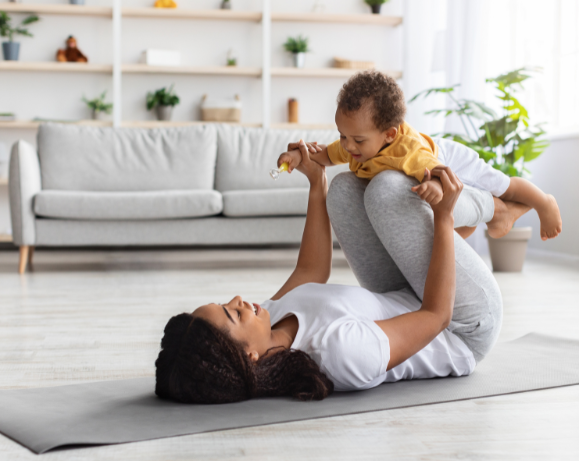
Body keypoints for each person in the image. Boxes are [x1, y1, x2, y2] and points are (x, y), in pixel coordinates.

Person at [155, 140, 504, 404]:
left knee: (343, 190)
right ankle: (499, 208)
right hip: (463, 326)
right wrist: (443, 217)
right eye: (232, 313)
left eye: (226, 302)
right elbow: (437, 316)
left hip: (407, 293)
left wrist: (316, 181)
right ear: (249, 356)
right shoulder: (339, 353)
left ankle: (469, 225)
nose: (238, 300)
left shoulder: (270, 321)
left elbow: (311, 269)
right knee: (386, 192)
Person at [277, 70, 562, 241]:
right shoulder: (354, 146)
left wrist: (434, 184)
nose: (348, 146)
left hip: (447, 156)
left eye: (357, 140)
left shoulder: (407, 152)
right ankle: (494, 217)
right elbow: (327, 156)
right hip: (428, 162)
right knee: (442, 236)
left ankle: (542, 202)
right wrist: (301, 157)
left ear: (389, 134)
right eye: (343, 135)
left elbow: (437, 170)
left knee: (500, 184)